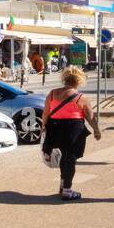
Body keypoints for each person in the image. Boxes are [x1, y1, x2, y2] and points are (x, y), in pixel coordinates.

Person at [41, 66, 101, 202]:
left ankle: (63, 184)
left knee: (64, 157)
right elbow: (90, 117)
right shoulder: (81, 97)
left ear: (64, 79)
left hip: (55, 128)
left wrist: (43, 126)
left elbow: (46, 113)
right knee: (70, 159)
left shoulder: (52, 94)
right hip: (73, 130)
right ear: (79, 80)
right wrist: (96, 130)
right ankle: (67, 190)